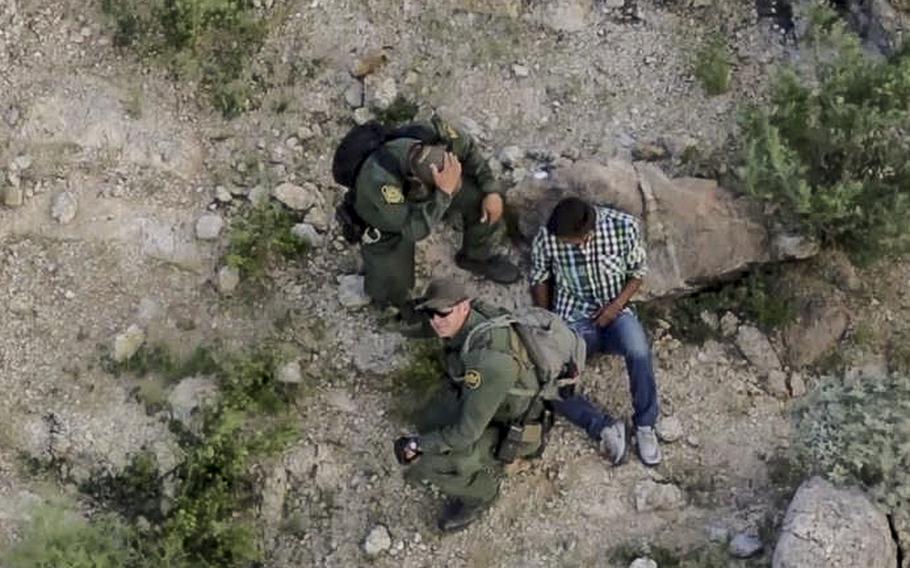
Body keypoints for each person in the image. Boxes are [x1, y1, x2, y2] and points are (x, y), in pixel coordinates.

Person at [394, 278, 576, 532]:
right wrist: (401, 316)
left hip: (515, 430)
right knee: (427, 419)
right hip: (493, 404)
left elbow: (465, 434)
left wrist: (417, 445)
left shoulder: (489, 362)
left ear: (463, 307)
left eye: (442, 313)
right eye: (430, 313)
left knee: (427, 463)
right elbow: (425, 323)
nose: (436, 321)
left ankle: (482, 494)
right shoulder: (474, 317)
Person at [528, 196, 662, 466]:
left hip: (615, 313)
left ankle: (645, 425)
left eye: (568, 240)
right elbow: (539, 276)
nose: (563, 243)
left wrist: (615, 306)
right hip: (573, 319)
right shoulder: (548, 236)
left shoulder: (623, 227)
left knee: (638, 350)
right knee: (547, 378)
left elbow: (637, 272)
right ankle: (603, 426)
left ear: (584, 235)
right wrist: (548, 321)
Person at [352, 117, 520, 317]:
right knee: (393, 277)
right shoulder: (379, 182)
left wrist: (490, 190)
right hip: (385, 216)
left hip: (435, 188)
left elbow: (470, 150)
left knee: (479, 199)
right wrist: (443, 196)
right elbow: (413, 229)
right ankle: (389, 303)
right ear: (418, 183)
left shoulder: (435, 134)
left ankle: (475, 257)